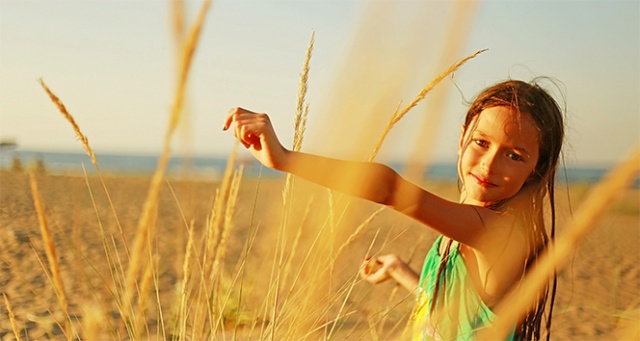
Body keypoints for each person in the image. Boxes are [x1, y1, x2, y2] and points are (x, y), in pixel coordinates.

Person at [223, 79, 564, 341]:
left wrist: (285, 159)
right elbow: (451, 313)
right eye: (482, 142)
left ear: (537, 168)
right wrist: (401, 272)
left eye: (514, 155)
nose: (489, 164)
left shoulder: (497, 231)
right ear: (462, 137)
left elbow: (389, 188)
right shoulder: (466, 220)